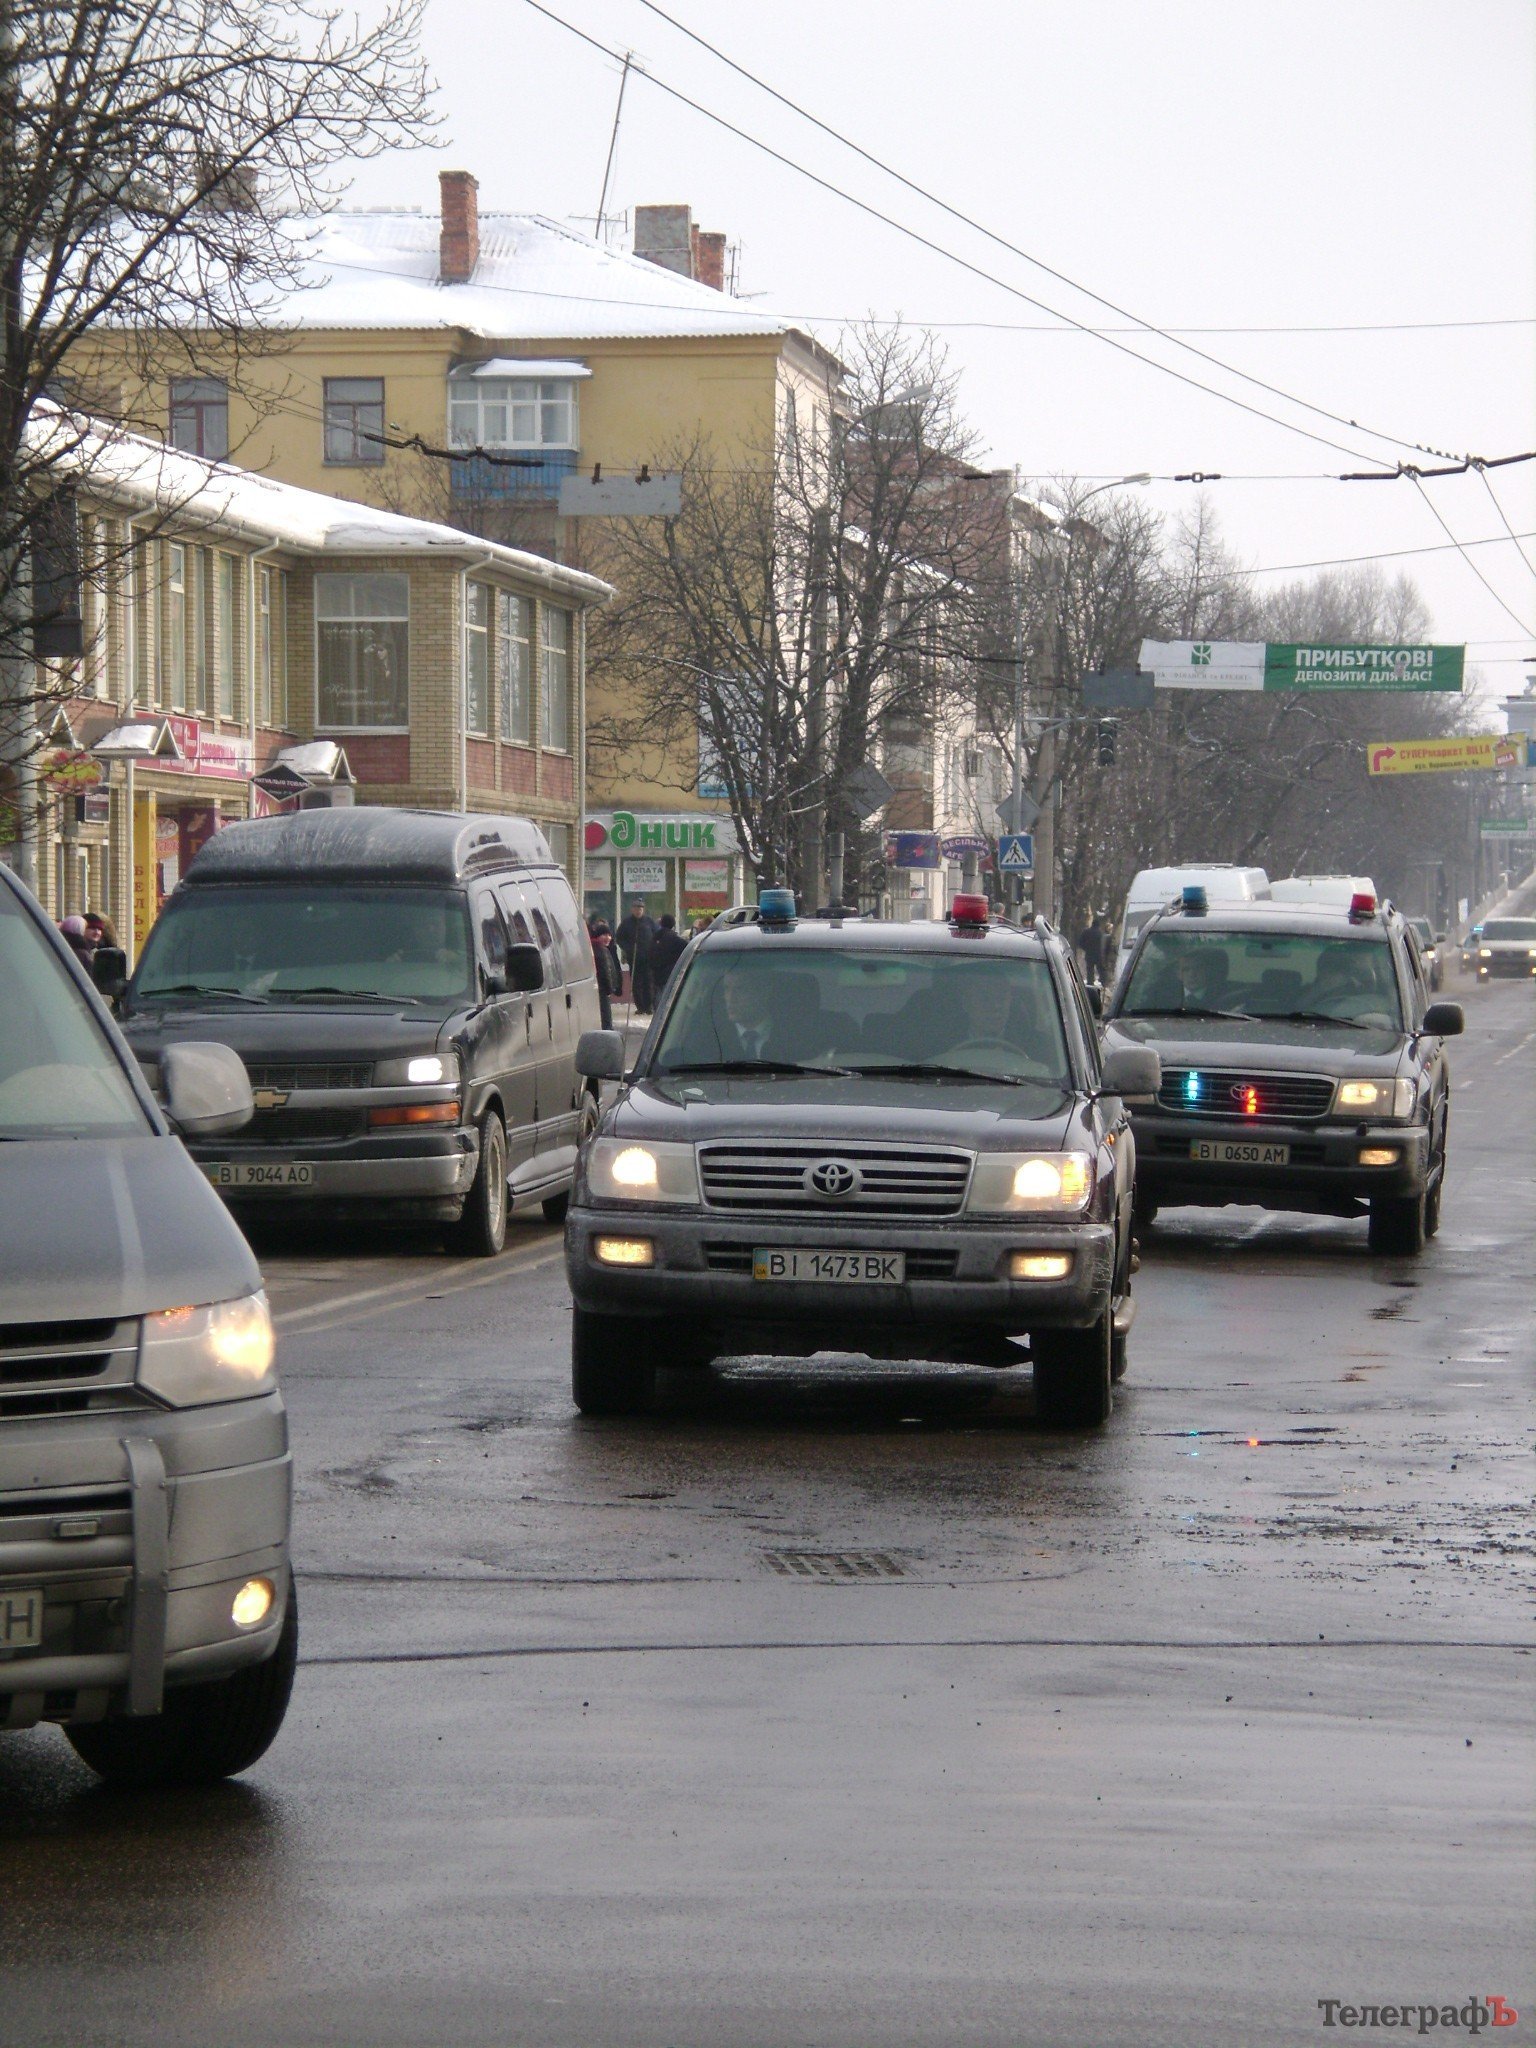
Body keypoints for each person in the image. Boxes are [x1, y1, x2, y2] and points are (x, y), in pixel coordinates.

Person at [615, 896, 658, 1014]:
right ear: (632, 909)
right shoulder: (626, 923)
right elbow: (619, 938)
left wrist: (654, 948)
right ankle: (640, 1007)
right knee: (636, 983)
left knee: (649, 982)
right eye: (636, 908)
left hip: (648, 958)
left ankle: (649, 1006)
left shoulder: (649, 922)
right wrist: (628, 948)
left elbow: (656, 936)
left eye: (641, 908)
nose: (638, 910)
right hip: (634, 958)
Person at [587, 916, 622, 1030]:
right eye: (604, 935)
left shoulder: (595, 947)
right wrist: (609, 988)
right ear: (598, 936)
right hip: (603, 989)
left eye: (609, 935)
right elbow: (605, 970)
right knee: (606, 1017)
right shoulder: (601, 950)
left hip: (599, 989)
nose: (608, 938)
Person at [649, 912, 687, 997]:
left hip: (657, 975)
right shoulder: (676, 940)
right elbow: (687, 951)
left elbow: (650, 955)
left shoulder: (655, 938)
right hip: (671, 973)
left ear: (661, 924)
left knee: (658, 998)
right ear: (673, 925)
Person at [1076, 916, 1105, 984]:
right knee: (1100, 970)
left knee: (1089, 971)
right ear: (1098, 925)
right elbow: (1103, 946)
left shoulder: (1086, 932)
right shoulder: (1100, 934)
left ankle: (1090, 983)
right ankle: (1103, 983)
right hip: (1098, 955)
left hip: (1089, 954)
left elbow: (1080, 943)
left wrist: (1086, 949)